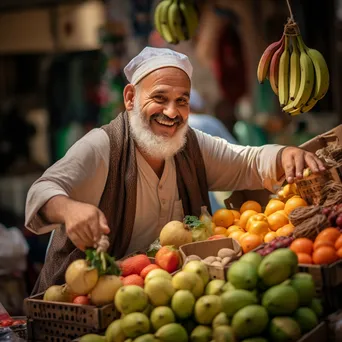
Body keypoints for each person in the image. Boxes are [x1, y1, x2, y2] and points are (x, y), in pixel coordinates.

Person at [25, 47, 325, 293]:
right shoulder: (102, 146)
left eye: (181, 101)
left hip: (163, 298)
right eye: (159, 98)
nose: (172, 113)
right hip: (84, 305)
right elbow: (41, 190)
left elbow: (246, 160)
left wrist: (285, 154)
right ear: (130, 98)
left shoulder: (191, 146)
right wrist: (69, 210)